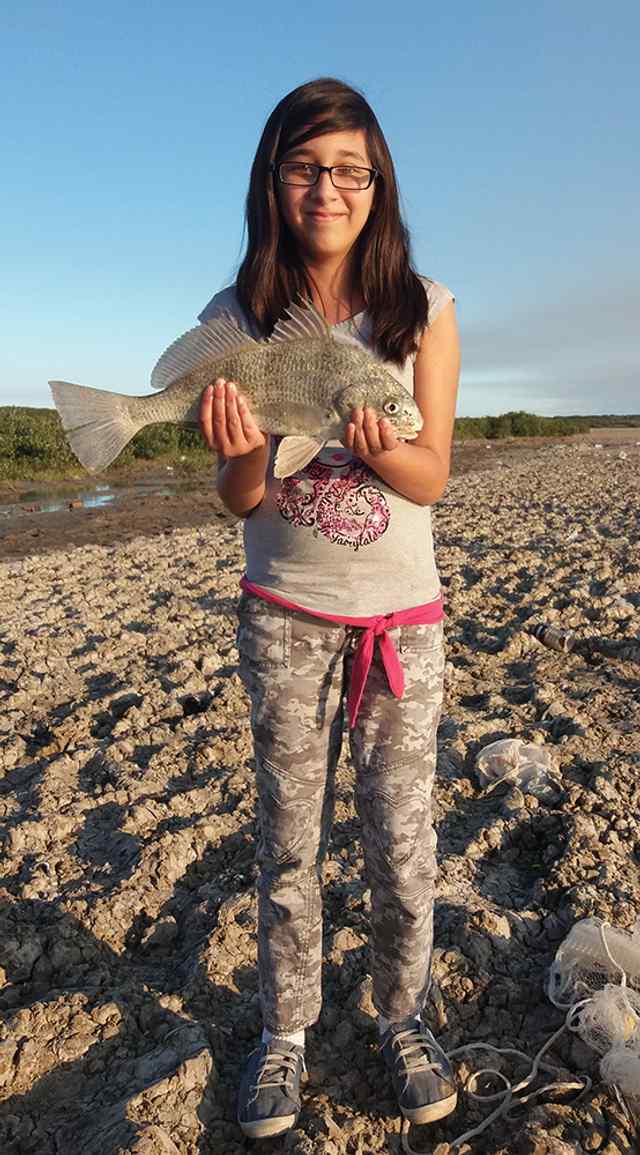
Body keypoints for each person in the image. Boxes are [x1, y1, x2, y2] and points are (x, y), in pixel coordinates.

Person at [197, 77, 460, 1141]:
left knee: (403, 842)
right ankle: (286, 1033)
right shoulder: (236, 320)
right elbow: (240, 499)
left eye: (350, 167)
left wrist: (371, 433)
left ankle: (403, 1014)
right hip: (282, 616)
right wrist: (239, 451)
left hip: (401, 623)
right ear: (274, 180)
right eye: (306, 165)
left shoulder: (424, 308)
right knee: (287, 841)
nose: (328, 186)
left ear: (378, 180)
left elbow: (432, 473)